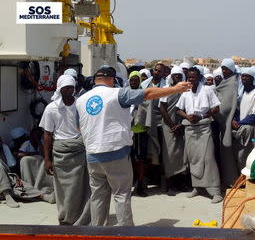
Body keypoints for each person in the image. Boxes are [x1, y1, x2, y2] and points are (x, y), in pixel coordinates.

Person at [76, 65, 191, 226]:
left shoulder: (81, 100)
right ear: (111, 80)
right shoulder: (117, 93)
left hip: (92, 156)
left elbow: (78, 127)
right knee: (121, 194)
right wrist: (175, 89)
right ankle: (125, 232)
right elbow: (148, 93)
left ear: (95, 80)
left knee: (98, 196)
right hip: (116, 154)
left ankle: (98, 232)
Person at [39, 75, 90, 226]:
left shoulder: (81, 105)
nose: (69, 90)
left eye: (71, 87)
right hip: (61, 152)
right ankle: (65, 217)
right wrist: (47, 159)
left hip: (80, 150)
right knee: (63, 189)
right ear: (60, 89)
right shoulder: (51, 108)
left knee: (81, 186)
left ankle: (81, 217)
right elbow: (47, 135)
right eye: (65, 88)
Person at [176, 67, 222, 203]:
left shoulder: (207, 90)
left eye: (194, 77)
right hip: (190, 129)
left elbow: (216, 107)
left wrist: (202, 115)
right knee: (193, 159)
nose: (191, 80)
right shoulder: (185, 91)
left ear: (199, 77)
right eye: (189, 77)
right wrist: (188, 117)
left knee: (208, 159)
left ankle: (215, 191)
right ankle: (197, 187)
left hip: (203, 127)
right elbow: (179, 110)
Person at [159, 66, 187, 196]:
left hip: (182, 126)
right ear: (172, 76)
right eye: (175, 75)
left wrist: (181, 125)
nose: (177, 77)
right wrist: (172, 125)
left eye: (180, 76)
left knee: (181, 155)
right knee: (169, 154)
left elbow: (187, 108)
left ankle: (180, 183)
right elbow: (163, 109)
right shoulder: (166, 89)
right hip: (168, 126)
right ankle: (169, 184)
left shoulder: (186, 90)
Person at [1, 136, 49, 208]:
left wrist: (16, 177)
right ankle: (7, 195)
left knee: (21, 186)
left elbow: (11, 165)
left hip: (5, 178)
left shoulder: (3, 147)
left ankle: (43, 196)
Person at [213, 58, 239, 188]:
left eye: (226, 69)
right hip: (221, 122)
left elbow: (229, 104)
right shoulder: (224, 82)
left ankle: (232, 180)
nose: (224, 71)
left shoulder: (233, 83)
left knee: (229, 154)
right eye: (222, 68)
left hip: (229, 121)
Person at [232, 67, 255, 170]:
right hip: (240, 128)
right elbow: (238, 110)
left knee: (247, 155)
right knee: (239, 156)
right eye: (242, 76)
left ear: (253, 78)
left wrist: (239, 123)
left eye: (247, 76)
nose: (244, 78)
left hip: (250, 129)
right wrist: (234, 121)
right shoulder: (242, 93)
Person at [128, 71, 148, 197]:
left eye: (136, 80)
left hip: (140, 131)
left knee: (140, 160)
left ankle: (140, 185)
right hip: (128, 131)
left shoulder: (144, 94)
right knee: (129, 160)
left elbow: (147, 109)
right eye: (132, 80)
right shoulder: (125, 93)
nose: (134, 82)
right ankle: (130, 183)